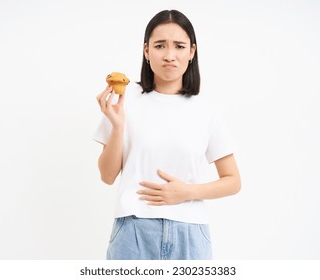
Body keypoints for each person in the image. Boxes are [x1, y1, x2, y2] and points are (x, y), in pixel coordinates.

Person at [93, 9, 241, 260]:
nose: (170, 55)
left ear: (191, 52)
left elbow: (233, 180)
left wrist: (188, 192)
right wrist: (118, 126)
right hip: (133, 231)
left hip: (190, 234)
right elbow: (107, 176)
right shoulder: (124, 102)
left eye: (179, 46)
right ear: (147, 51)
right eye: (160, 46)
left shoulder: (206, 112)